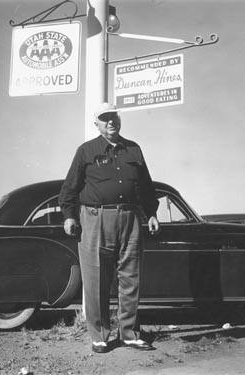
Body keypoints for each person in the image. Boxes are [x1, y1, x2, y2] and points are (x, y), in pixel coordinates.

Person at [59, 102, 159, 353]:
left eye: (114, 116)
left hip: (131, 218)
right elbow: (70, 187)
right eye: (105, 118)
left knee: (131, 278)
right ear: (97, 123)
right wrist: (70, 216)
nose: (111, 122)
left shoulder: (134, 149)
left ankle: (129, 333)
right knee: (96, 280)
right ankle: (100, 335)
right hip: (95, 219)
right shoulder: (86, 150)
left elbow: (146, 186)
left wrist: (152, 213)